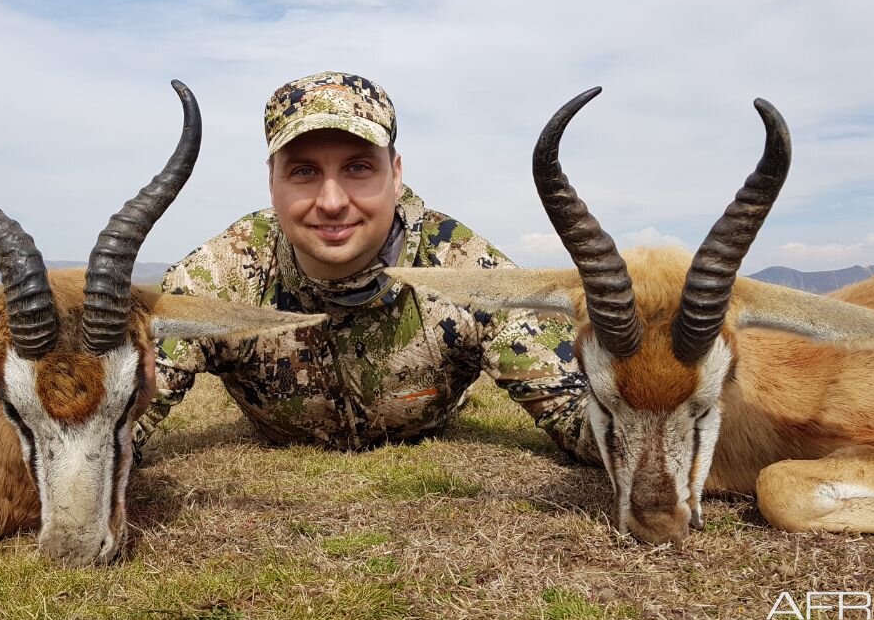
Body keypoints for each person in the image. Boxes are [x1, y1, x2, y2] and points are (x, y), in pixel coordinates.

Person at [139, 71, 589, 455]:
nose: (332, 202)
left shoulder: (468, 269)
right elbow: (120, 423)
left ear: (395, 175)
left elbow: (582, 420)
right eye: (303, 172)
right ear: (271, 182)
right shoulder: (215, 277)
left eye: (358, 168)